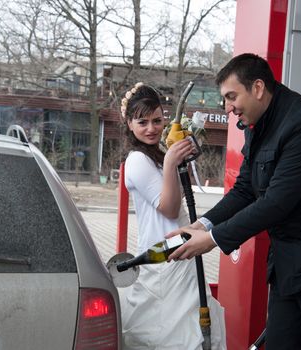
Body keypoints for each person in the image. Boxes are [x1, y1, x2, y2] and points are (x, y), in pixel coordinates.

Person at [166, 53, 301, 350]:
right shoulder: (258, 125)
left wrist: (212, 239)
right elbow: (244, 190)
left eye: (231, 96)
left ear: (258, 88)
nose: (227, 108)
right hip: (290, 265)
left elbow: (276, 202)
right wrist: (200, 225)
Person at [118, 82, 226, 350]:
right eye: (142, 122)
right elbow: (167, 207)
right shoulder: (136, 160)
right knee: (168, 332)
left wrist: (175, 159)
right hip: (160, 256)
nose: (151, 128)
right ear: (129, 124)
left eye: (157, 120)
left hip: (180, 248)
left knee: (191, 326)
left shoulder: (156, 155)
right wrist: (170, 162)